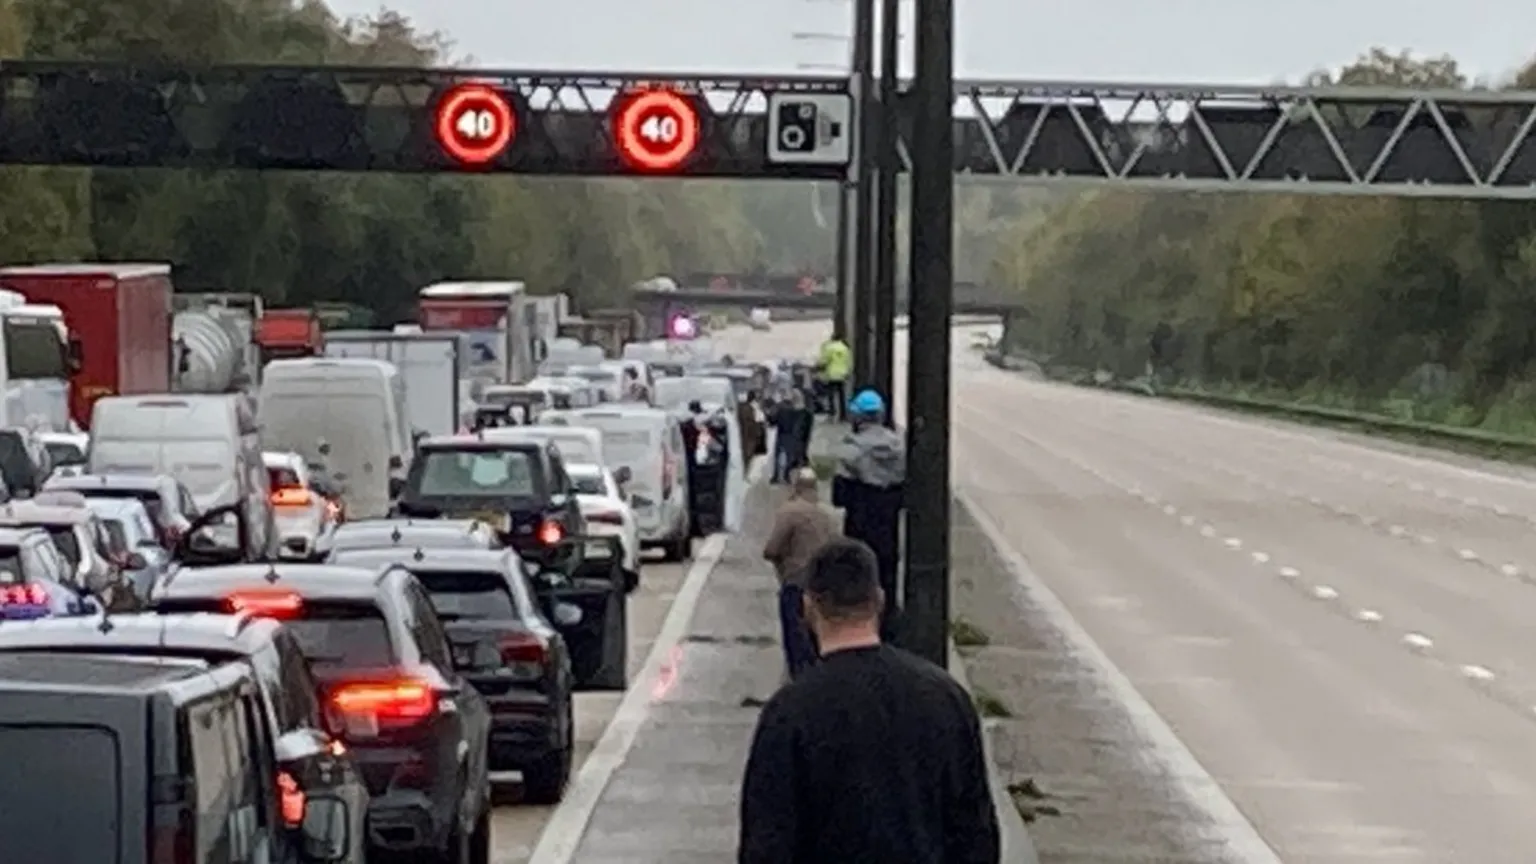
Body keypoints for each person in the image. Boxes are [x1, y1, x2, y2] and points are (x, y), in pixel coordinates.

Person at [738, 538, 999, 864]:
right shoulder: (946, 698)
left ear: (808, 607)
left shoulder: (790, 712)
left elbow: (767, 844)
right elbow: (976, 836)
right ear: (879, 601)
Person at [832, 389, 905, 641]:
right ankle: (890, 630)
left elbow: (839, 496)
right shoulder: (899, 447)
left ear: (857, 416)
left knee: (860, 578)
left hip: (860, 523)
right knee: (888, 575)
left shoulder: (851, 450)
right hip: (889, 524)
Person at [761, 467, 837, 679]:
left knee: (795, 639)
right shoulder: (828, 516)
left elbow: (772, 549)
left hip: (795, 581)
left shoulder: (790, 512)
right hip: (823, 584)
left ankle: (800, 681)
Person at [767, 389, 812, 484]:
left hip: (781, 434)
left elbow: (772, 421)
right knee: (789, 456)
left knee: (778, 455)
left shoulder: (780, 407)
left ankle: (775, 476)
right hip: (792, 436)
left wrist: (769, 415)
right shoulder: (800, 410)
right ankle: (786, 476)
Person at [815, 334, 851, 420]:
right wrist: (848, 372)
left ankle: (832, 413)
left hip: (832, 374)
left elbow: (824, 360)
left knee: (831, 394)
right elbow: (849, 362)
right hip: (842, 374)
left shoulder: (830, 348)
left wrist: (818, 366)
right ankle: (843, 414)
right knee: (841, 394)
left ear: (832, 339)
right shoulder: (845, 348)